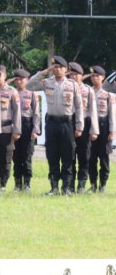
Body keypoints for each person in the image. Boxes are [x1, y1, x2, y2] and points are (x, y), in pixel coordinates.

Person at [26, 58, 83, 195]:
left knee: (68, 156)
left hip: (67, 123)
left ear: (65, 69)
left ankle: (66, 187)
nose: (57, 69)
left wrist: (79, 125)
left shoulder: (72, 85)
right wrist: (43, 72)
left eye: (60, 67)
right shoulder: (47, 82)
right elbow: (29, 85)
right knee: (52, 155)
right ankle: (54, 187)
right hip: (52, 123)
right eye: (55, 67)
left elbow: (79, 106)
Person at [0, 66, 19, 191]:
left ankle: (3, 184)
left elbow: (16, 112)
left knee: (5, 157)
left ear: (5, 76)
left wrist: (17, 130)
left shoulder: (12, 91)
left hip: (6, 129)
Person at [68, 63, 98, 191]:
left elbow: (93, 111)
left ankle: (81, 184)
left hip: (85, 123)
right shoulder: (66, 88)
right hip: (69, 122)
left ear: (81, 76)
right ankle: (69, 184)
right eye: (71, 74)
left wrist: (94, 130)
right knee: (69, 155)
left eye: (76, 74)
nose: (73, 77)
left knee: (84, 155)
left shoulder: (88, 90)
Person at [10, 69, 40, 191]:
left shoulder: (32, 94)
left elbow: (36, 113)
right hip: (15, 126)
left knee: (27, 156)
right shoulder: (12, 93)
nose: (18, 82)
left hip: (27, 124)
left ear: (27, 80)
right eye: (16, 79)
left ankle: (27, 183)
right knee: (16, 156)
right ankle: (17, 184)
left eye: (21, 79)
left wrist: (35, 129)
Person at [88, 65, 113, 191]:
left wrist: (112, 130)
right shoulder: (87, 92)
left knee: (104, 158)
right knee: (91, 157)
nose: (94, 78)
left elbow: (112, 114)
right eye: (92, 76)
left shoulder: (108, 95)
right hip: (90, 127)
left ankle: (103, 184)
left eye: (97, 76)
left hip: (104, 127)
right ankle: (93, 184)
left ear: (103, 77)